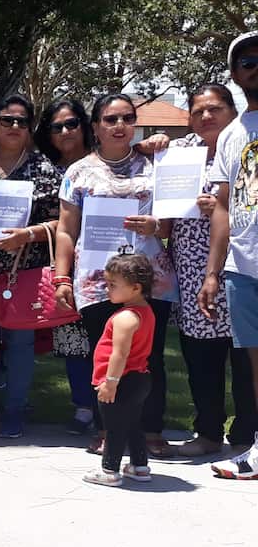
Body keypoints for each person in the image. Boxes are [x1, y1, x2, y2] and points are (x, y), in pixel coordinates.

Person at [54, 93, 178, 458]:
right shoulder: (77, 172)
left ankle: (150, 430)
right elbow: (66, 230)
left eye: (127, 118)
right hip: (98, 282)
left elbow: (170, 221)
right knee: (105, 357)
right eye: (110, 119)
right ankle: (108, 429)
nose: (120, 125)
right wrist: (62, 277)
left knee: (149, 359)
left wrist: (157, 226)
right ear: (95, 127)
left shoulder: (156, 165)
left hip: (149, 280)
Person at [0, 94, 62, 437]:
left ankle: (15, 410)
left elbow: (63, 223)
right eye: (7, 120)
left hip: (23, 272)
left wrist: (28, 234)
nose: (14, 126)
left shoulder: (43, 168)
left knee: (20, 346)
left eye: (22, 121)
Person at [166, 85, 256, 456]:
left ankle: (246, 435)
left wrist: (220, 205)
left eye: (214, 108)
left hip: (242, 266)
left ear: (232, 110)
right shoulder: (179, 153)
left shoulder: (247, 145)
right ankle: (208, 434)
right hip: (192, 270)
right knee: (202, 359)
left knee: (246, 358)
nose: (206, 116)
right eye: (198, 111)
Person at [201, 31, 258, 480]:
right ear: (236, 74)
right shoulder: (232, 135)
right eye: (247, 62)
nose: (256, 67)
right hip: (243, 267)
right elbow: (222, 206)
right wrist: (213, 273)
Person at [34, 99, 99, 434]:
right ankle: (84, 406)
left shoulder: (106, 160)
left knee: (110, 337)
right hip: (66, 264)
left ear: (84, 125)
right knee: (73, 338)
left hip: (107, 264)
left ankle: (114, 408)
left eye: (71, 123)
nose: (65, 131)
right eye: (56, 127)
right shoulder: (45, 170)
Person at [84, 254, 157, 486]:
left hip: (121, 381)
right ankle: (139, 466)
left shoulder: (126, 317)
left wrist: (111, 382)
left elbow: (120, 354)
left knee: (114, 427)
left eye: (113, 285)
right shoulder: (145, 311)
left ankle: (109, 470)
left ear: (136, 288)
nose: (107, 289)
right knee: (133, 423)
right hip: (139, 379)